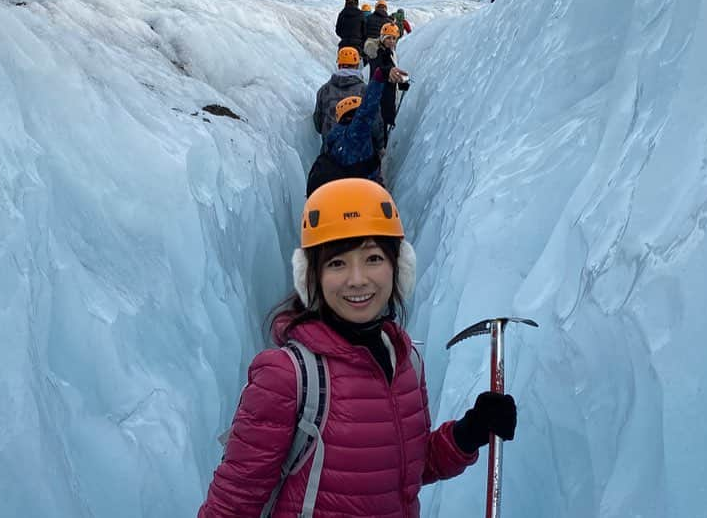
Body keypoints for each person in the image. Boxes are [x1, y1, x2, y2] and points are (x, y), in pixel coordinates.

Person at [197, 179, 518, 517]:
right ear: (312, 277)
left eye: (373, 258)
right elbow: (233, 502)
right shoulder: (288, 376)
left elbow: (406, 469)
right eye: (337, 263)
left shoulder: (405, 362)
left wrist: (469, 432)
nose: (357, 279)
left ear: (399, 267)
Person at [306, 61, 407, 194]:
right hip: (367, 192)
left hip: (336, 193)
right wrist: (380, 74)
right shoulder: (358, 131)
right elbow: (369, 108)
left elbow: (318, 123)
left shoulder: (331, 140)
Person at [313, 46, 385, 152]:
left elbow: (318, 124)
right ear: (357, 65)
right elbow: (376, 123)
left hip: (330, 155)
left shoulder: (324, 91)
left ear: (339, 65)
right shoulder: (366, 91)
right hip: (360, 156)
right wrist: (380, 146)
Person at [368, 22, 407, 141]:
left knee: (382, 125)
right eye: (388, 38)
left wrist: (400, 81)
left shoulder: (389, 52)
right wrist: (389, 71)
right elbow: (378, 69)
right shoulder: (378, 52)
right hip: (380, 95)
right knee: (380, 125)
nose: (391, 41)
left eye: (394, 38)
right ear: (382, 38)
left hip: (385, 93)